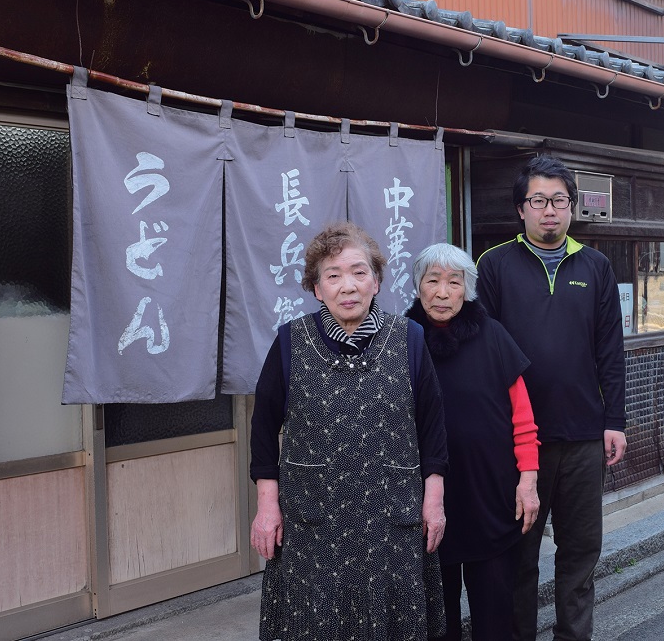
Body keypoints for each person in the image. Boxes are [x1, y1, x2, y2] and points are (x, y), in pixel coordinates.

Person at [250, 222, 449, 641]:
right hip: (313, 521)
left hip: (392, 518)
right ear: (317, 288)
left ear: (376, 281)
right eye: (333, 275)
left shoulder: (409, 338)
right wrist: (267, 507)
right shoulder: (290, 341)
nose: (348, 286)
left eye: (359, 272)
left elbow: (433, 428)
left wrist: (434, 501)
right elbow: (263, 431)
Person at [476, 155, 627, 641]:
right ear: (521, 209)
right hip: (520, 444)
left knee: (580, 552)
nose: (549, 211)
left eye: (559, 201)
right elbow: (486, 352)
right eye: (538, 201)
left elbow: (610, 350)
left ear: (572, 207)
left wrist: (615, 419)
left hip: (584, 436)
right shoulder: (495, 264)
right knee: (519, 556)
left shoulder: (596, 266)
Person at [405, 243, 541, 641]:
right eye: (433, 281)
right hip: (425, 502)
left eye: (454, 282)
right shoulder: (401, 341)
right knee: (436, 621)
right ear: (418, 287)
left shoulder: (494, 335)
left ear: (468, 289)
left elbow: (525, 419)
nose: (443, 292)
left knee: (495, 616)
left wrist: (528, 480)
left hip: (492, 497)